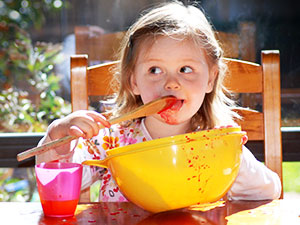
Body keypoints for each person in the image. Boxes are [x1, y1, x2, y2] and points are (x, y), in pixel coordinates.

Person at [36, 1, 281, 202]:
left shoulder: (214, 139)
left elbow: (268, 192)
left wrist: (233, 157)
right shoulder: (112, 139)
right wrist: (58, 140)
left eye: (185, 69)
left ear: (211, 79)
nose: (171, 83)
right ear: (133, 82)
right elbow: (57, 189)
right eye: (155, 70)